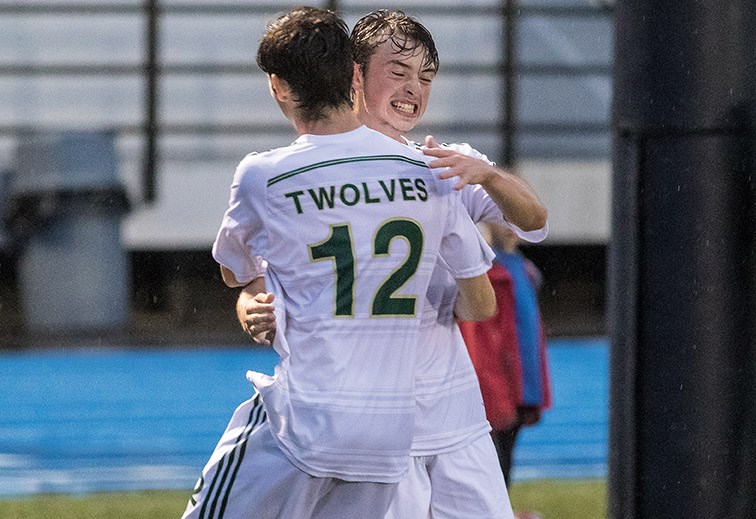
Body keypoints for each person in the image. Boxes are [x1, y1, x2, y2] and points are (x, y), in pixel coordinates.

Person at [183, 7, 497, 519]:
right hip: (390, 437)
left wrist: (264, 298)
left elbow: (236, 272)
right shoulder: (426, 170)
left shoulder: (265, 174)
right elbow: (480, 303)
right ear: (354, 76)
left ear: (278, 86)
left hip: (306, 420)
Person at [458, 222, 552, 489]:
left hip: (521, 378)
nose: (510, 226)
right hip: (495, 380)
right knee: (490, 462)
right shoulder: (489, 270)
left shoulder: (525, 269)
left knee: (506, 458)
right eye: (500, 218)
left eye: (512, 219)